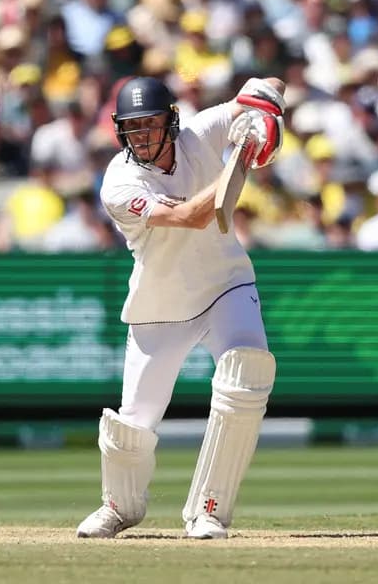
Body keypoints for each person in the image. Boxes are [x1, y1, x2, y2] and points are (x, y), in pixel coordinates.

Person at [76, 75, 286, 540]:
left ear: (171, 121)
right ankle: (118, 507)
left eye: (151, 125)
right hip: (160, 304)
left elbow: (267, 86)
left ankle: (209, 510)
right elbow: (193, 216)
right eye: (133, 128)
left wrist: (265, 116)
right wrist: (244, 158)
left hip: (226, 285)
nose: (143, 137)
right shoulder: (119, 181)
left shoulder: (200, 132)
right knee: (133, 426)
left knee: (246, 375)